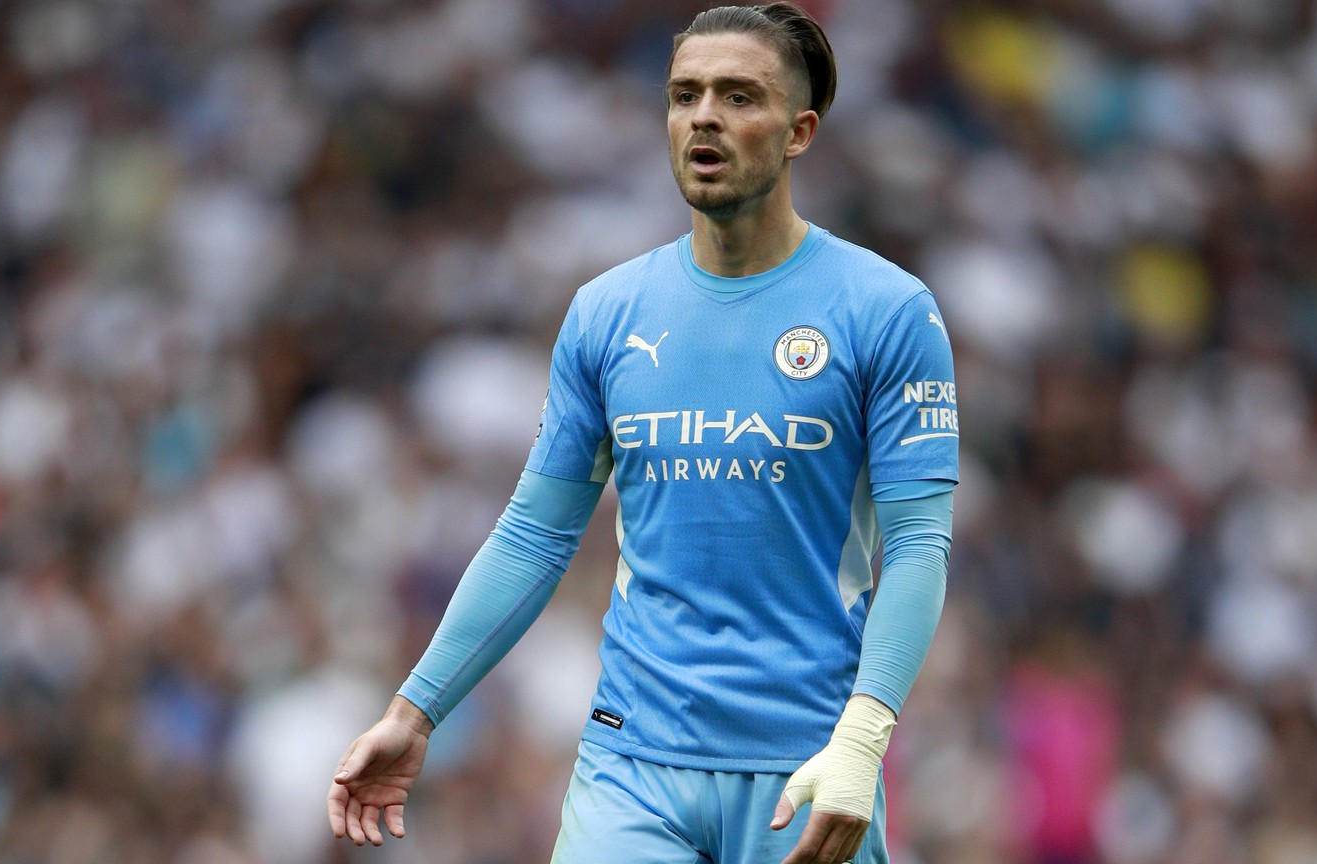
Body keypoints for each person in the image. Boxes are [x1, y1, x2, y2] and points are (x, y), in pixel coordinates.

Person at [326, 4, 958, 862]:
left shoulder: (886, 311)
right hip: (631, 764)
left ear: (800, 131)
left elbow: (918, 545)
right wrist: (415, 711)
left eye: (739, 96)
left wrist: (863, 738)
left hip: (805, 768)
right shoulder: (608, 313)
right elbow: (535, 534)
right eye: (685, 94)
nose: (704, 115)